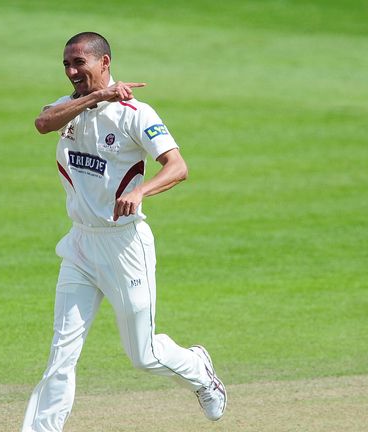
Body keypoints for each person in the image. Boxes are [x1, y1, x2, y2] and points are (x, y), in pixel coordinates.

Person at [21, 32, 227, 432]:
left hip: (124, 245)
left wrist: (140, 191)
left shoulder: (136, 113)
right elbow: (42, 123)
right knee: (61, 354)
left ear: (105, 62)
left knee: (144, 355)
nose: (71, 71)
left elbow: (178, 167)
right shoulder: (69, 107)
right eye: (66, 64)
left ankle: (199, 370)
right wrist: (98, 97)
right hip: (80, 245)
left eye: (79, 63)